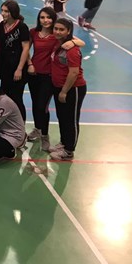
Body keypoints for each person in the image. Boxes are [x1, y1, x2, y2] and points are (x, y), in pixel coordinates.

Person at [27, 8, 84, 152]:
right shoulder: (33, 32)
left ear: (53, 19)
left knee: (42, 106)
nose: (45, 20)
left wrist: (73, 43)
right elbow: (26, 49)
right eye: (42, 17)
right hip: (34, 74)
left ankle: (45, 136)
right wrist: (29, 64)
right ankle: (38, 128)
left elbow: (80, 42)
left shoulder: (57, 35)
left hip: (48, 77)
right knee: (35, 105)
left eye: (48, 17)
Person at [48, 18, 87, 161]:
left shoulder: (72, 50)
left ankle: (69, 150)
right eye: (56, 28)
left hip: (73, 89)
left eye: (61, 29)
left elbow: (74, 73)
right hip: (58, 87)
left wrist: (64, 91)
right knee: (62, 117)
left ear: (68, 31)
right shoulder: (59, 43)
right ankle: (64, 143)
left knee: (71, 120)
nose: (57, 32)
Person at [0, 0, 30, 121]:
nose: (3, 13)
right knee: (4, 97)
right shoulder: (1, 25)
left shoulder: (22, 26)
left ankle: (21, 125)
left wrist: (19, 69)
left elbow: (26, 48)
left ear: (13, 12)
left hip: (17, 66)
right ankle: (8, 123)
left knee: (17, 98)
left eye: (6, 11)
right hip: (5, 66)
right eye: (2, 10)